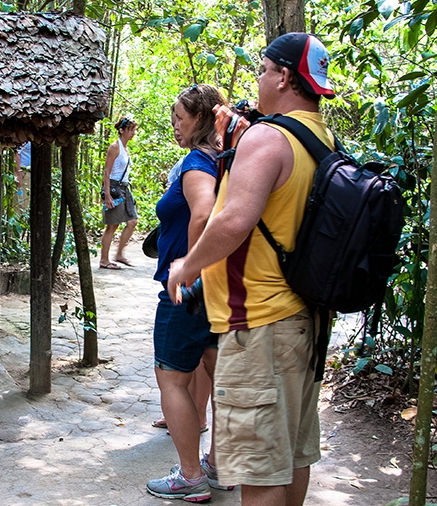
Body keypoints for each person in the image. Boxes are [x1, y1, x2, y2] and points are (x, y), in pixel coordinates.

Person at [167, 33, 337, 506]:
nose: (260, 78)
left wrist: (187, 265)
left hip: (260, 326)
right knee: (291, 459)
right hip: (303, 323)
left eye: (264, 70)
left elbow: (234, 221)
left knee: (260, 474)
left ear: (284, 76)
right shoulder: (320, 138)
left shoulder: (270, 136)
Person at [146, 84, 232, 502]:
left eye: (180, 118)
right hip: (221, 288)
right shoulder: (227, 157)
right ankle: (218, 466)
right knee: (220, 376)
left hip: (189, 290)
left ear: (199, 119)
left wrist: (189, 268)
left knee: (172, 379)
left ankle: (191, 476)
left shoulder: (198, 162)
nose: (175, 125)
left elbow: (203, 211)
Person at [100, 117, 138, 270]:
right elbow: (107, 171)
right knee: (112, 225)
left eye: (134, 130)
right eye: (130, 129)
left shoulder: (125, 148)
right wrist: (107, 194)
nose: (133, 133)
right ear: (122, 130)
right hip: (114, 187)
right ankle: (104, 260)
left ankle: (119, 254)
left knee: (132, 221)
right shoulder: (115, 147)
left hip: (124, 188)